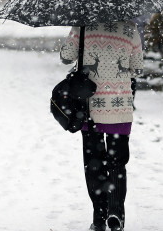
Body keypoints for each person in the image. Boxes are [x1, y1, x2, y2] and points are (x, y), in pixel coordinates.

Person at [60, 22, 144, 231]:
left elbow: (66, 57)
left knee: (94, 164)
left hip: (89, 109)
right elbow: (137, 68)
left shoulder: (82, 26)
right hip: (120, 107)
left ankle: (99, 218)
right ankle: (115, 214)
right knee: (117, 163)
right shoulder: (129, 29)